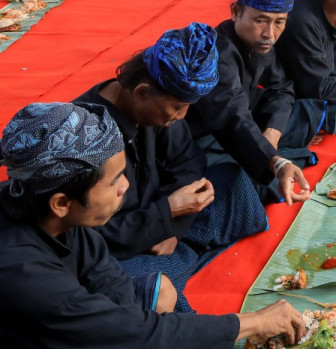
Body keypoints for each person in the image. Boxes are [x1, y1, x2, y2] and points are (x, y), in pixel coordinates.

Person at [0, 102, 307, 349]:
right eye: (114, 180)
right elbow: (132, 331)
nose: (125, 186)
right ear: (61, 203)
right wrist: (253, 323)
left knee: (157, 295)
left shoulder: (52, 212)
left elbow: (109, 279)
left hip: (73, 331)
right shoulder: (21, 269)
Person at [74, 23, 271, 303]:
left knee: (233, 179)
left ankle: (179, 257)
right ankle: (182, 261)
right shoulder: (83, 136)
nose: (181, 116)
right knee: (126, 283)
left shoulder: (158, 110)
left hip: (160, 223)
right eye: (177, 108)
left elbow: (188, 166)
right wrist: (164, 215)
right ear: (142, 92)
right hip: (119, 244)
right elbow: (88, 233)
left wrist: (173, 228)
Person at [186, 0, 312, 199]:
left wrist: (273, 132)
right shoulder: (216, 55)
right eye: (260, 20)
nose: (269, 33)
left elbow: (282, 87)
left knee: (309, 108)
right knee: (239, 183)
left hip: (245, 123)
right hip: (207, 138)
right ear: (236, 11)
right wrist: (276, 162)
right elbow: (232, 117)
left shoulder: (261, 42)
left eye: (279, 22)